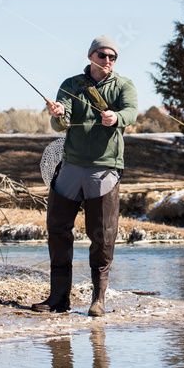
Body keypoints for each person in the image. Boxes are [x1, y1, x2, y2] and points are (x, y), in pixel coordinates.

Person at [32, 35, 138, 316]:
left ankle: (98, 300)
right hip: (71, 167)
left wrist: (117, 118)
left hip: (105, 170)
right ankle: (58, 299)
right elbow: (61, 122)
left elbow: (131, 112)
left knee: (102, 236)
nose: (107, 61)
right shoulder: (70, 84)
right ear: (91, 56)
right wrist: (58, 114)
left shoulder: (124, 86)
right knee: (57, 230)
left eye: (112, 57)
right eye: (102, 55)